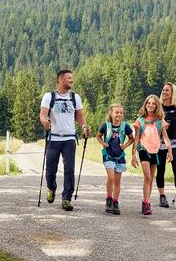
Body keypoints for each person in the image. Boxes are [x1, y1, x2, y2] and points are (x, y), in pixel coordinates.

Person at [39, 69, 89, 211]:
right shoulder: (49, 96)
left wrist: (84, 127)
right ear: (60, 80)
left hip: (69, 139)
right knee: (50, 170)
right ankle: (51, 187)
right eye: (69, 78)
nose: (72, 80)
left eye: (72, 78)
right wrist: (45, 122)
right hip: (53, 138)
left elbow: (80, 116)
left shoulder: (75, 97)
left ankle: (67, 198)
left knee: (69, 169)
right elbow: (42, 115)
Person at [131, 94, 173, 215]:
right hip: (143, 149)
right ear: (145, 104)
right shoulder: (140, 121)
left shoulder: (160, 121)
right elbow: (136, 138)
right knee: (148, 177)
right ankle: (146, 203)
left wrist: (170, 152)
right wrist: (133, 155)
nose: (151, 105)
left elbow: (166, 138)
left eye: (153, 103)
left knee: (150, 180)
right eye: (149, 103)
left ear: (157, 106)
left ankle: (146, 203)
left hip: (156, 151)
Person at [96, 102, 134, 215]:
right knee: (111, 177)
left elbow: (131, 138)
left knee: (117, 181)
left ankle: (115, 202)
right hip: (108, 155)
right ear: (111, 113)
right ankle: (109, 199)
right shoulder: (106, 126)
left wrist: (125, 146)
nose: (119, 114)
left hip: (120, 156)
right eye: (117, 112)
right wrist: (103, 143)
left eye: (121, 113)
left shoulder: (125, 126)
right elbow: (98, 136)